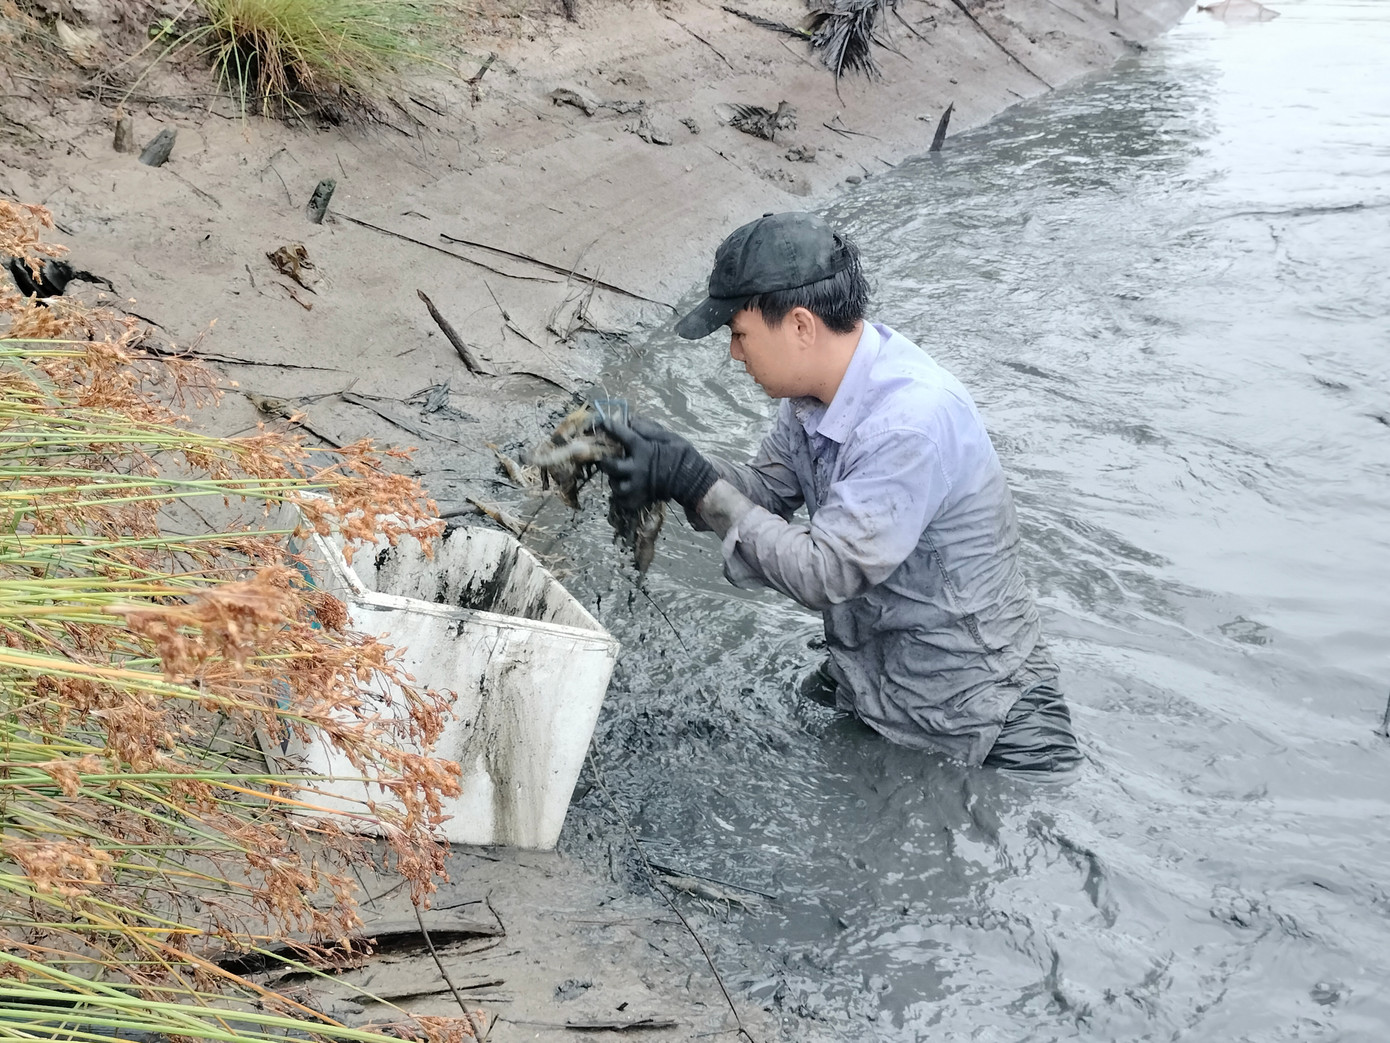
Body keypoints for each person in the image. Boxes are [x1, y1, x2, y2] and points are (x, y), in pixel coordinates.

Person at [597, 212, 1080, 773]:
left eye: (738, 333)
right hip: (881, 682)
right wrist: (671, 463)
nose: (734, 354)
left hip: (985, 723)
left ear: (800, 326)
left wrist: (695, 483)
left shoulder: (907, 424)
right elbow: (766, 493)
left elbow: (825, 573)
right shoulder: (812, 397)